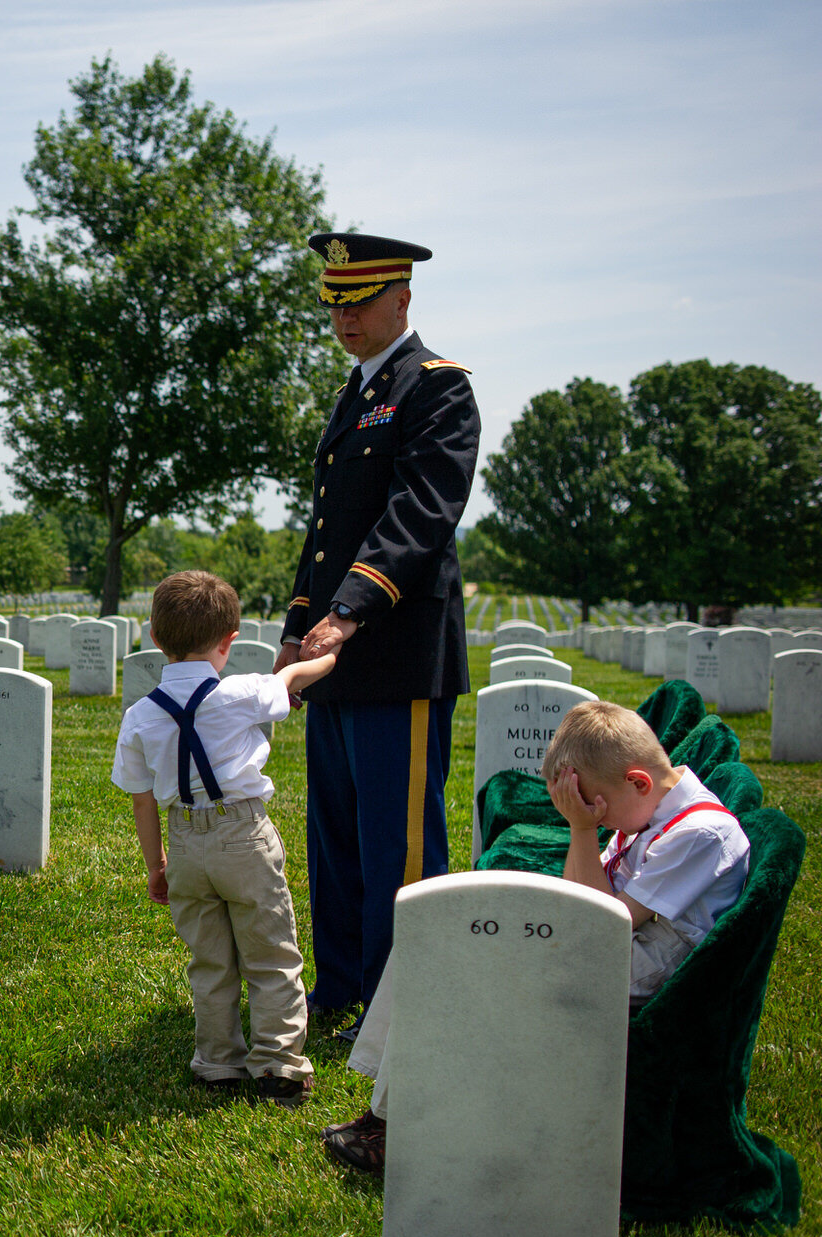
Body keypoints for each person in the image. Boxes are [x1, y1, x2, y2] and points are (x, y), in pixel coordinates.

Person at [321, 701, 751, 1174]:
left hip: (637, 971)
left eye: (597, 806)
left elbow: (604, 920)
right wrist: (584, 827)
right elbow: (581, 897)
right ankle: (390, 1115)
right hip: (611, 949)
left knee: (454, 966)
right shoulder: (648, 808)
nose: (598, 819)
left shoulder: (701, 833)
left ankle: (400, 1126)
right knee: (432, 939)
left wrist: (584, 829)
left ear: (638, 782)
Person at [278, 232, 480, 1027]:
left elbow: (422, 510)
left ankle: (401, 1003)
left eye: (358, 302)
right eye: (333, 303)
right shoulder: (355, 393)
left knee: (396, 845)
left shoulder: (437, 387)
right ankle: (341, 983)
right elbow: (323, 532)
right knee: (333, 837)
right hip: (333, 653)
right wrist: (300, 627)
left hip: (395, 653)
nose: (344, 318)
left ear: (402, 297)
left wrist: (352, 607)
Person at [112, 571, 339, 1105]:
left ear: (153, 635)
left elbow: (142, 799)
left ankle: (217, 1063)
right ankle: (279, 1064)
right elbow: (297, 678)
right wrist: (329, 653)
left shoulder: (139, 716)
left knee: (210, 960)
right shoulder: (243, 691)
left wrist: (157, 865)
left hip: (185, 842)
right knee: (271, 953)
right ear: (228, 640)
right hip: (243, 835)